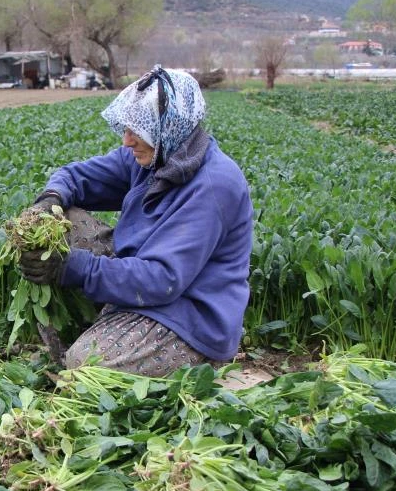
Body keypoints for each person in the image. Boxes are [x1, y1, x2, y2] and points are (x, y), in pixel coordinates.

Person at [16, 65, 253, 377]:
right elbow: (77, 176)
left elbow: (161, 279)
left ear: (171, 127)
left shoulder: (213, 186)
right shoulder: (155, 155)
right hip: (149, 281)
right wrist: (51, 199)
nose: (127, 141)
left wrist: (71, 267)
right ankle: (108, 331)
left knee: (86, 365)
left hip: (189, 314)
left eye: (137, 130)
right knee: (59, 224)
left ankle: (197, 360)